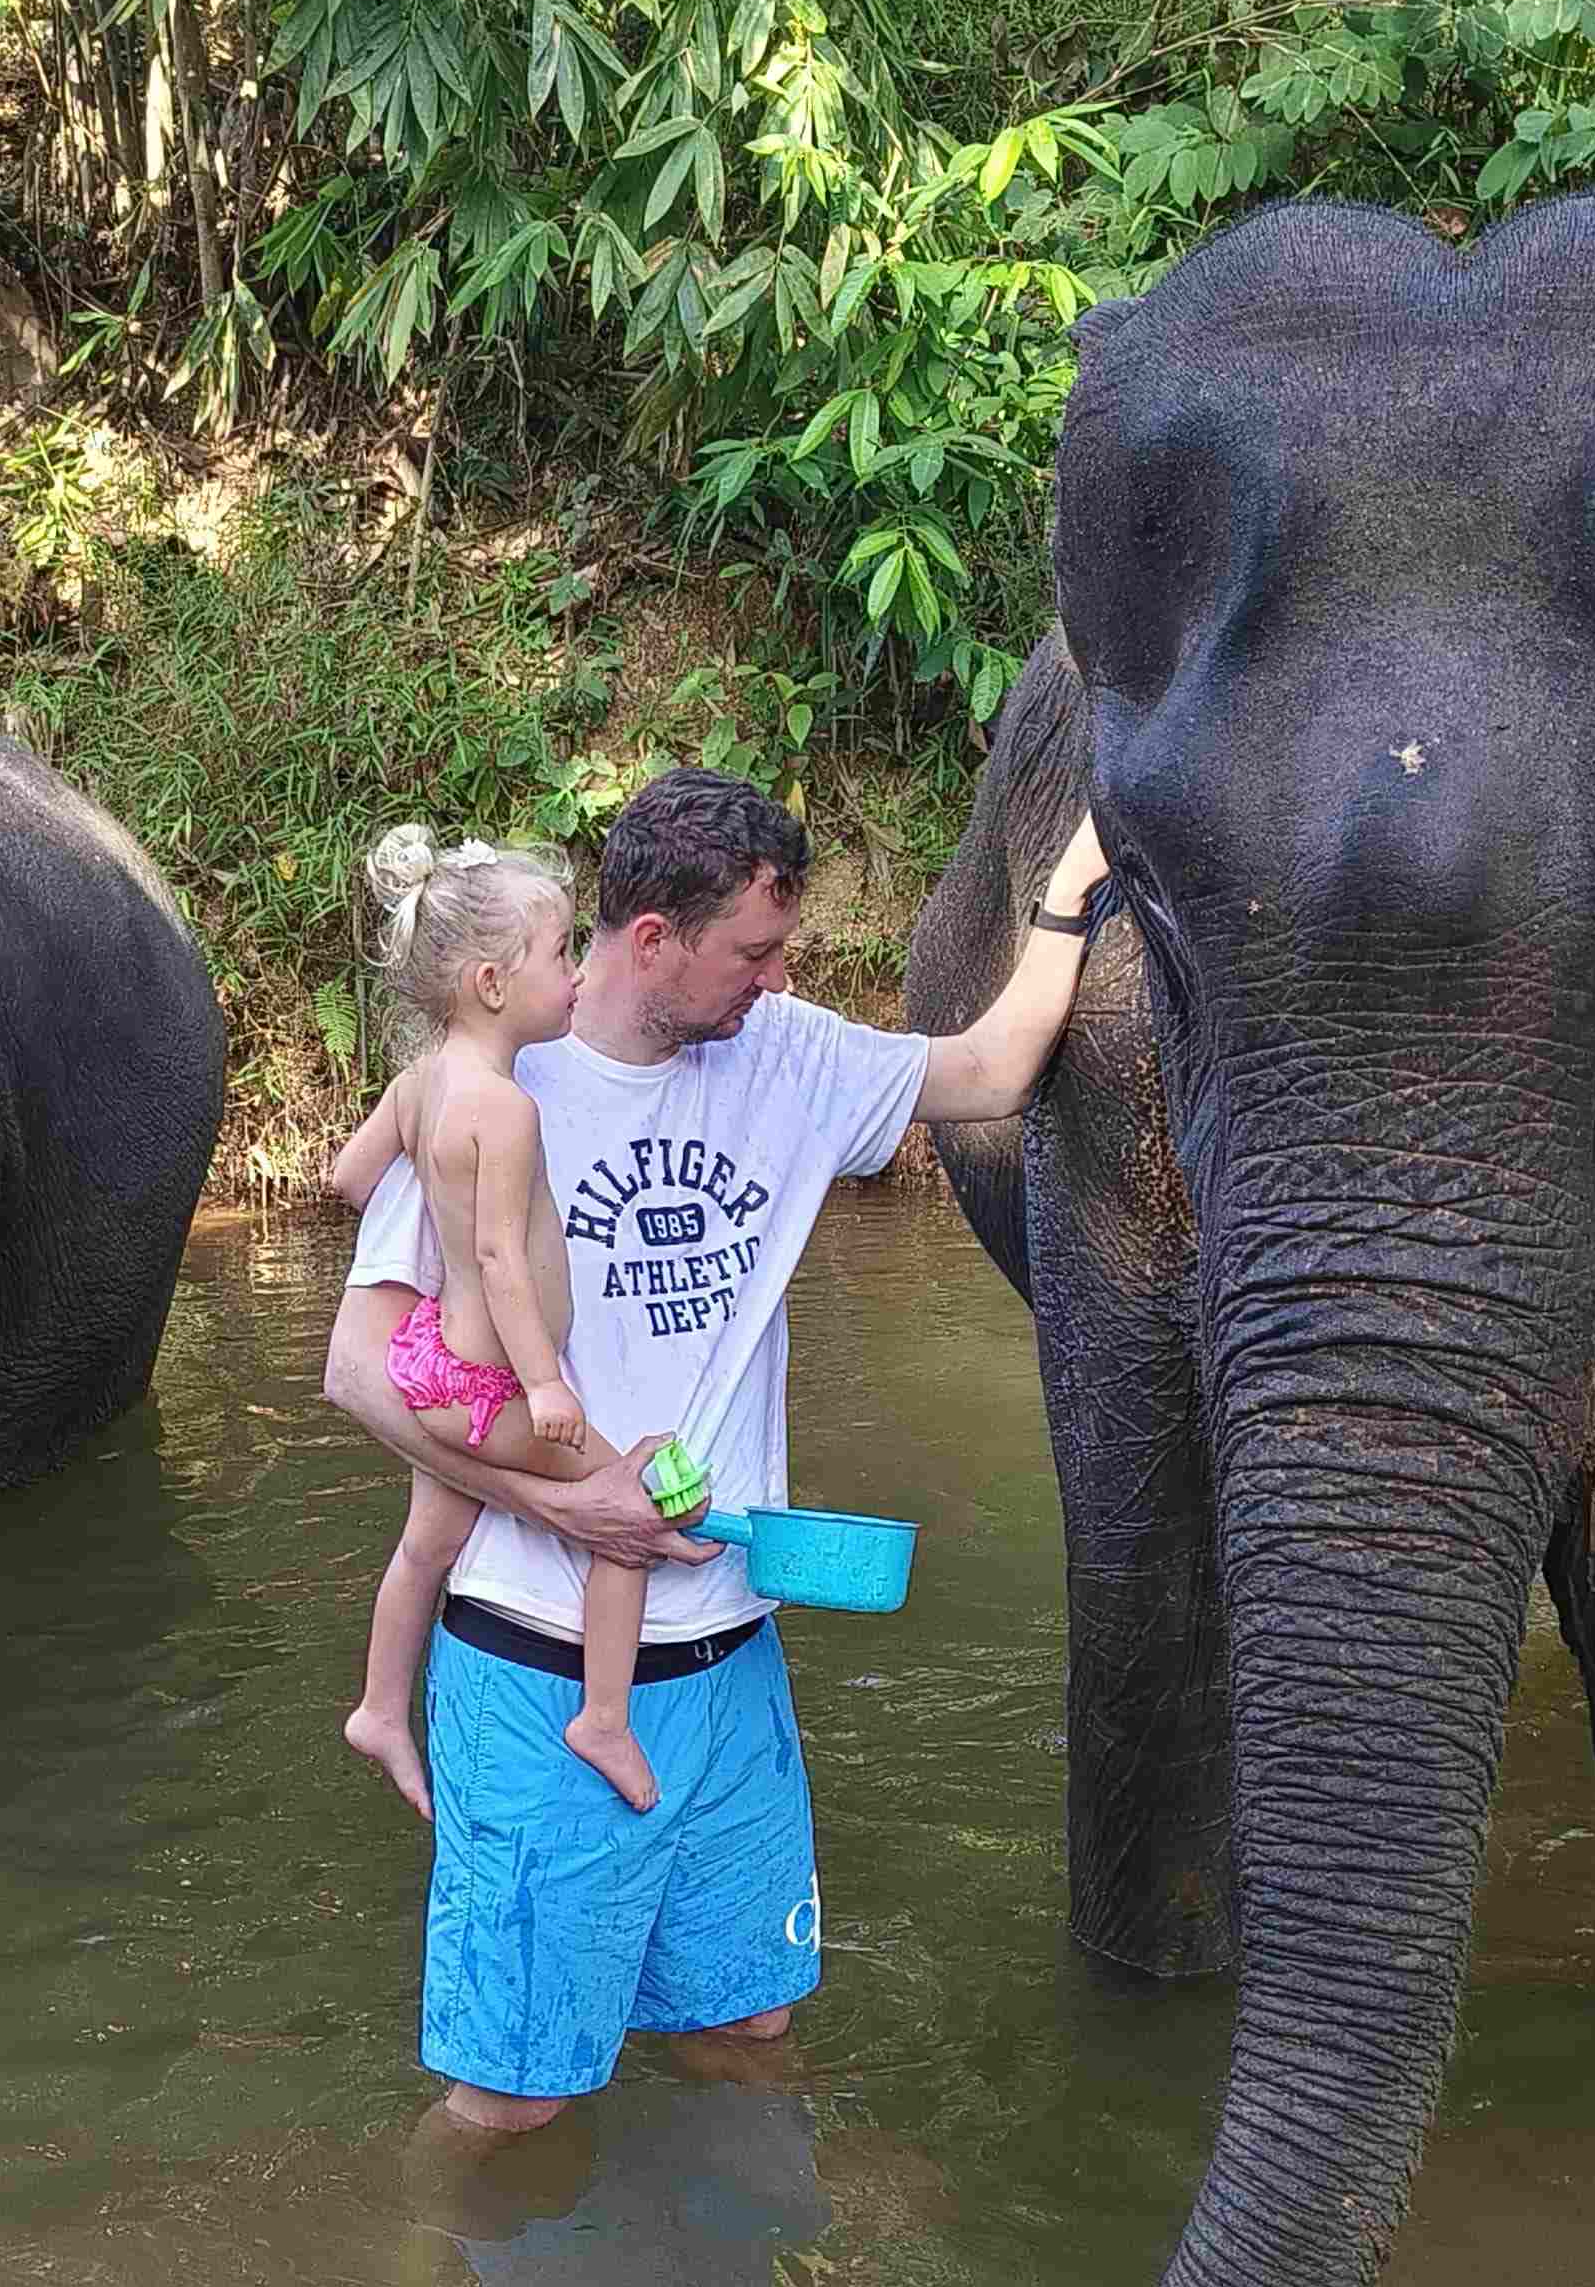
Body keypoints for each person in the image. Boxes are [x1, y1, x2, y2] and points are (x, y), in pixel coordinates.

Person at [326, 764, 1112, 2137]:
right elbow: (357, 1369)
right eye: (753, 950)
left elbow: (989, 1068)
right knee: (509, 2103)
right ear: (649, 942)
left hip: (727, 1656)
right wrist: (572, 1511)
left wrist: (1066, 902)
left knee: (748, 2031)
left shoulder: (792, 1056)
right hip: (532, 1661)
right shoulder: (495, 1088)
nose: (777, 975)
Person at [331, 824, 660, 1819]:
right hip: (492, 1389)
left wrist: (433, 1188)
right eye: (561, 955)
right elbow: (497, 1260)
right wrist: (548, 1383)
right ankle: (604, 1716)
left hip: (429, 1363)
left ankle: (382, 1705)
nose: (573, 976)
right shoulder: (506, 1109)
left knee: (428, 1543)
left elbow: (346, 1177)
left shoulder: (424, 1078)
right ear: (489, 983)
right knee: (625, 1515)